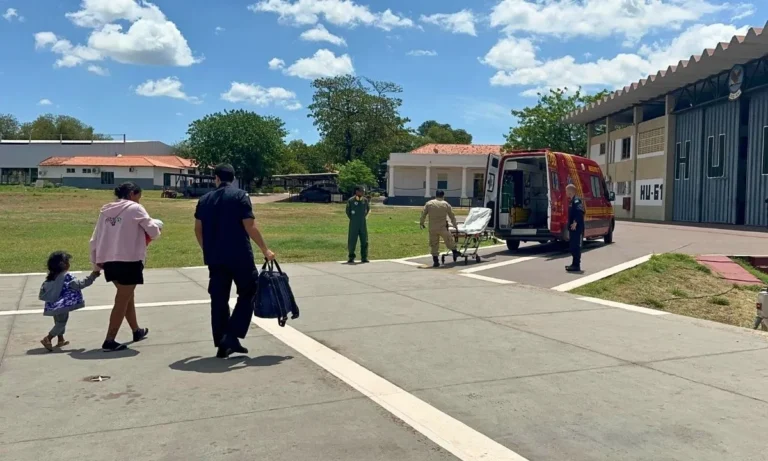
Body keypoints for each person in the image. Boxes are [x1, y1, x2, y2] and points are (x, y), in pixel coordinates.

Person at [194, 164, 276, 359]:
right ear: (233, 178)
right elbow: (250, 225)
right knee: (250, 290)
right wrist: (265, 249)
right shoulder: (240, 196)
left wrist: (207, 249)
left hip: (215, 256)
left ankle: (223, 341)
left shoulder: (204, 199)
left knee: (218, 298)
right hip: (239, 254)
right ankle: (231, 335)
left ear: (216, 178)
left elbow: (198, 228)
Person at [90, 182, 159, 352]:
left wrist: (96, 263)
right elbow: (154, 232)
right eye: (138, 196)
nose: (139, 200)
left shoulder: (105, 211)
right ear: (132, 194)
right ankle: (109, 339)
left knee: (127, 296)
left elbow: (95, 237)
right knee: (122, 300)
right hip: (129, 260)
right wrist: (157, 225)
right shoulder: (135, 208)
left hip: (108, 260)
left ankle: (136, 330)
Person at [39, 251, 101, 352]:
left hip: (53, 304)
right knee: (61, 323)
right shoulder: (67, 277)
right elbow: (80, 284)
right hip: (62, 305)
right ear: (64, 265)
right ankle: (48, 338)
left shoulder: (51, 276)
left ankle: (60, 339)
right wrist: (93, 276)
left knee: (58, 321)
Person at [420, 190, 460, 268]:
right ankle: (455, 252)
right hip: (442, 227)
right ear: (443, 196)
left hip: (432, 228)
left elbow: (423, 214)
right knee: (449, 240)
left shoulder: (429, 203)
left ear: (436, 195)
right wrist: (455, 225)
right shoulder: (446, 204)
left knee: (434, 244)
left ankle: (436, 261)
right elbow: (452, 216)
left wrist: (422, 223)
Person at [346, 185, 370, 264]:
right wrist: (354, 219)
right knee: (352, 241)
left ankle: (364, 257)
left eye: (363, 191)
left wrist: (362, 217)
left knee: (364, 241)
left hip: (362, 223)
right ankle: (351, 257)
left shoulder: (365, 200)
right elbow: (348, 212)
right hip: (354, 224)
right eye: (361, 191)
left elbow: (368, 209)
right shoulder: (351, 200)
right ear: (357, 191)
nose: (363, 192)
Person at [565, 183, 585, 272]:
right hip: (573, 229)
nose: (565, 192)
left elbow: (580, 211)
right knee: (572, 246)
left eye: (566, 191)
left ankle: (576, 265)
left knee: (576, 246)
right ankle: (574, 264)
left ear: (569, 192)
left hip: (577, 228)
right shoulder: (572, 201)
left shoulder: (577, 201)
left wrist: (575, 222)